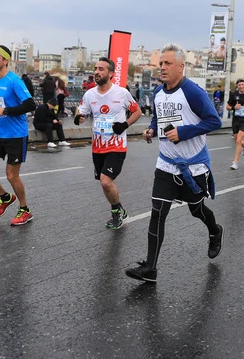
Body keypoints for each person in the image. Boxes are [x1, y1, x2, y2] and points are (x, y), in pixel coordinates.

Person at [125, 43, 223, 283]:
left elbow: (214, 121)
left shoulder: (193, 92)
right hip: (166, 164)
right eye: (161, 63)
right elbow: (159, 117)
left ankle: (214, 230)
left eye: (168, 63)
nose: (163, 68)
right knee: (157, 213)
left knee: (196, 209)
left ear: (181, 66)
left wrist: (184, 132)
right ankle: (150, 268)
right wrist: (150, 129)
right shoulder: (158, 92)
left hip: (192, 166)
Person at [74, 57, 142, 229]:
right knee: (103, 183)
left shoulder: (122, 93)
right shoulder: (90, 94)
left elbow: (137, 111)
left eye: (101, 69)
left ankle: (116, 213)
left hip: (117, 145)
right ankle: (120, 209)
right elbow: (80, 111)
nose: (96, 72)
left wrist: (125, 125)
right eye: (95, 68)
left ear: (111, 73)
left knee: (105, 181)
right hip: (98, 146)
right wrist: (78, 117)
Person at [0, 45, 37, 226]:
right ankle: (4, 196)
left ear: (5, 60)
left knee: (12, 175)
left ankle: (25, 210)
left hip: (16, 135)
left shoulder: (14, 81)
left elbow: (30, 105)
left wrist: (6, 111)